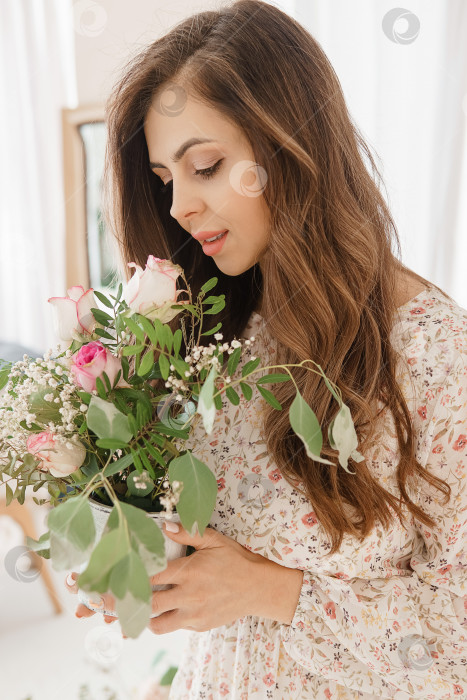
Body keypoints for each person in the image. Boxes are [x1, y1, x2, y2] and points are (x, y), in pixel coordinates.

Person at [65, 1, 467, 697]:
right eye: (165, 181)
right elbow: (219, 545)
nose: (179, 208)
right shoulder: (227, 328)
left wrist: (273, 594)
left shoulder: (432, 351)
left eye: (206, 165)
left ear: (290, 145)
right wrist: (147, 566)